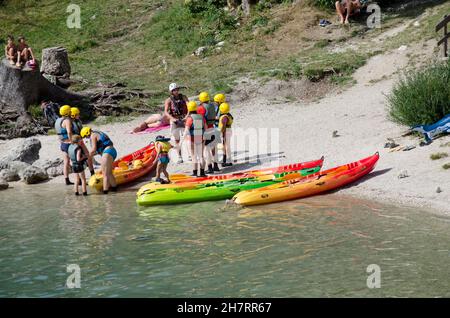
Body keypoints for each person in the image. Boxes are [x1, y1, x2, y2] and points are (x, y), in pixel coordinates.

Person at [80, 127, 118, 194]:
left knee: (105, 174)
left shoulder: (93, 135)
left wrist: (87, 156)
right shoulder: (98, 133)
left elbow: (94, 149)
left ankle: (105, 193)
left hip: (107, 153)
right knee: (109, 173)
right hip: (112, 151)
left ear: (87, 133)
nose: (87, 138)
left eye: (86, 137)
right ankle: (115, 189)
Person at [164, 83, 189, 164]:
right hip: (174, 120)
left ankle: (189, 155)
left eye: (177, 89)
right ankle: (179, 156)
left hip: (184, 118)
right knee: (177, 139)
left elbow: (189, 107)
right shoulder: (168, 100)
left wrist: (186, 117)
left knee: (187, 137)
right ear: (171, 91)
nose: (176, 91)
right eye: (174, 90)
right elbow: (166, 112)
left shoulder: (184, 97)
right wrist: (173, 119)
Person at [199, 92, 221, 174]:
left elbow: (200, 120)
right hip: (214, 128)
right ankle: (216, 165)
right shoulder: (213, 105)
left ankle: (209, 167)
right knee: (214, 148)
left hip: (206, 129)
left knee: (206, 149)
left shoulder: (201, 108)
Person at [70, 107, 95, 177]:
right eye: (77, 114)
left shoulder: (78, 121)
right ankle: (80, 178)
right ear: (73, 115)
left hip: (80, 141)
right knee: (81, 158)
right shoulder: (70, 123)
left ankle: (92, 173)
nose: (79, 115)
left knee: (88, 156)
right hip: (76, 142)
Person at [184, 101, 207, 177]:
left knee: (194, 156)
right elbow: (206, 128)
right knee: (201, 155)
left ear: (189, 109)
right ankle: (202, 172)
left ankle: (195, 172)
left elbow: (187, 130)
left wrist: (183, 138)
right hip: (201, 138)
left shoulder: (190, 118)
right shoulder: (201, 117)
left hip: (193, 139)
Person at [54, 105, 75, 185]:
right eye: (69, 111)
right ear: (67, 112)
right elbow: (69, 132)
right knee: (75, 161)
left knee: (66, 162)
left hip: (62, 144)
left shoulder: (57, 120)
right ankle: (79, 179)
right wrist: (72, 141)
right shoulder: (67, 121)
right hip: (69, 143)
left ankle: (66, 180)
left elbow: (58, 133)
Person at [218, 102, 233, 167]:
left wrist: (221, 132)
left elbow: (223, 126)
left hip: (225, 132)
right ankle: (225, 160)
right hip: (228, 131)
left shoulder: (224, 117)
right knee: (225, 146)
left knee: (226, 147)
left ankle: (228, 161)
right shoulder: (229, 115)